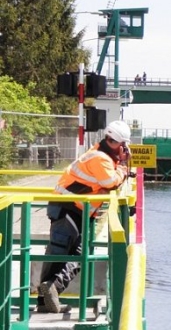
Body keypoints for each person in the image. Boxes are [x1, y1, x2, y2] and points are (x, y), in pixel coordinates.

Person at [37, 120, 132, 313]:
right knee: (59, 253)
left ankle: (50, 293)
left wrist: (117, 168)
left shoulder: (102, 156)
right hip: (68, 208)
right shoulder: (101, 158)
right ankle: (46, 298)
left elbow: (106, 183)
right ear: (121, 145)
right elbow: (111, 182)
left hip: (76, 210)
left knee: (77, 255)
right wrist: (123, 166)